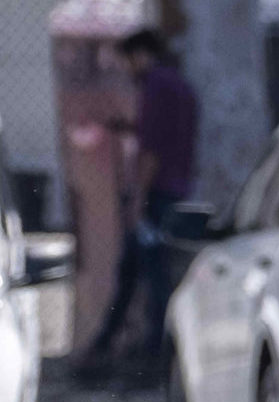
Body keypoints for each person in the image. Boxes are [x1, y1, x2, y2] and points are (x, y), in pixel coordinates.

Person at [81, 27, 198, 376]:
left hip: (156, 197)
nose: (128, 69)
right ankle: (110, 346)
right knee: (136, 272)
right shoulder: (179, 85)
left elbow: (152, 150)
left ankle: (151, 357)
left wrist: (138, 198)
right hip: (175, 192)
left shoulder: (157, 86)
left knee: (149, 276)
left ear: (140, 55)